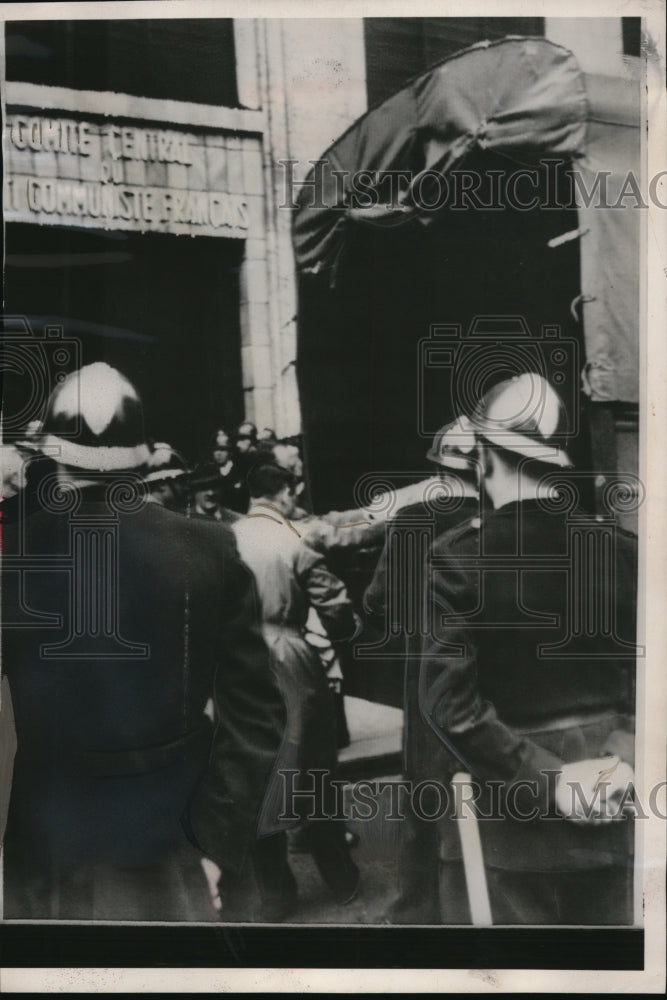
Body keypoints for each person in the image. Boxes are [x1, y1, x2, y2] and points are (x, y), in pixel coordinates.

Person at [1, 362, 285, 921]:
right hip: (174, 826)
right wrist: (217, 840)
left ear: (53, 458)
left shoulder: (14, 554)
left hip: (49, 834)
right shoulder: (209, 549)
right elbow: (256, 715)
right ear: (141, 462)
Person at [414, 373, 637, 924]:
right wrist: (623, 760)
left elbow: (449, 707)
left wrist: (549, 781)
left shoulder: (456, 558)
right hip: (618, 798)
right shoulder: (620, 549)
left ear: (484, 456)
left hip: (506, 816)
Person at [232, 461, 361, 919]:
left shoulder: (226, 537)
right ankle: (340, 876)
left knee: (255, 772)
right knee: (315, 767)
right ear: (284, 494)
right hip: (290, 655)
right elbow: (337, 606)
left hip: (239, 662)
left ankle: (275, 892)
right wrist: (345, 632)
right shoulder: (294, 538)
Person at [364, 420, 480, 923]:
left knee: (424, 785)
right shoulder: (495, 522)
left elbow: (376, 601)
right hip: (484, 670)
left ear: (437, 466)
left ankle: (417, 907)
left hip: (423, 665)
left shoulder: (410, 520)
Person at [143, 442, 189, 511]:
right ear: (161, 484)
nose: (185, 487)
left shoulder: (142, 508)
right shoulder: (154, 513)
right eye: (181, 480)